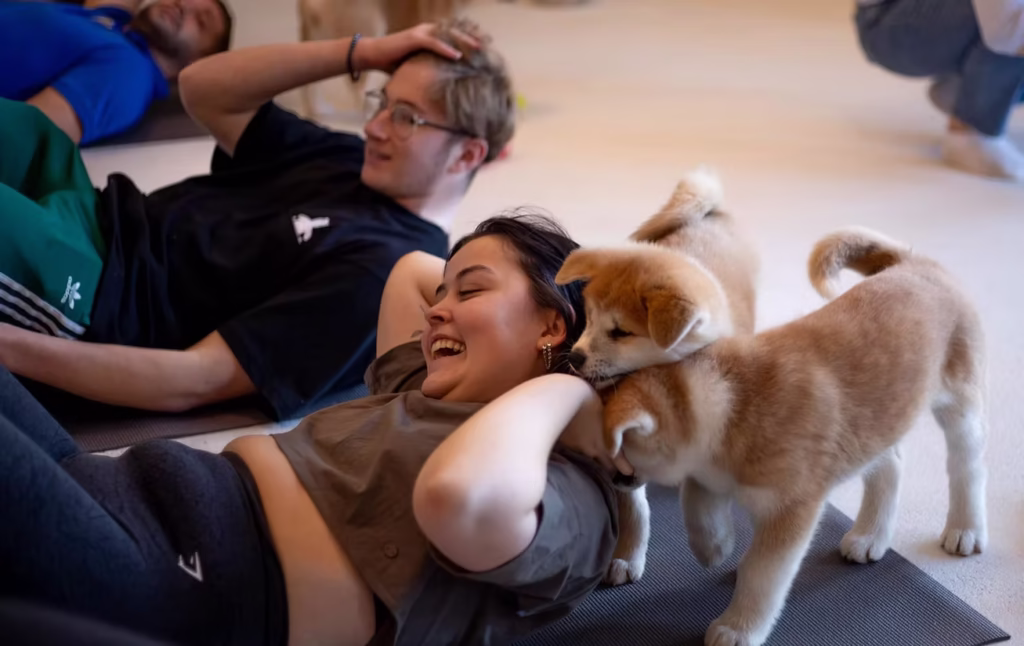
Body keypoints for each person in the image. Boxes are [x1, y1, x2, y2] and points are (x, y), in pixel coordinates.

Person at [0, 213, 629, 646]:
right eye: (445, 293)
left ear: (552, 326)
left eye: (470, 290)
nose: (436, 307)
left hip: (175, 578)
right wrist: (481, 308)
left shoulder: (574, 495)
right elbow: (410, 269)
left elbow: (459, 498)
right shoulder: (429, 395)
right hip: (112, 487)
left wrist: (572, 384)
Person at [0, 20, 515, 421]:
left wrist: (12, 349)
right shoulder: (351, 158)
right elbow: (203, 87)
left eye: (407, 117)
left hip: (98, 289)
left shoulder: (379, 269)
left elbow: (193, 379)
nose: (377, 126)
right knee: (20, 125)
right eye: (382, 102)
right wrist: (363, 52)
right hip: (90, 203)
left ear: (467, 155)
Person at [0, 0, 233, 145]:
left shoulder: (129, 74)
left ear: (196, 63)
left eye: (201, 20)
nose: (182, 5)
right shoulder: (113, 22)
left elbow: (20, 137)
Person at [855, 0, 1024, 180]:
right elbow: (1005, 27)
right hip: (887, 20)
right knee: (1013, 18)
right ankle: (970, 131)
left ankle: (967, 91)